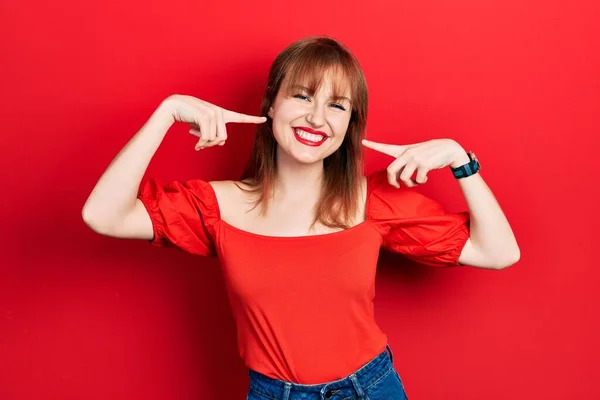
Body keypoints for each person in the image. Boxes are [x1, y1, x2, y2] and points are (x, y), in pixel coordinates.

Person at [82, 36, 520, 400]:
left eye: (337, 106)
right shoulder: (216, 207)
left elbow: (498, 252)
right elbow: (103, 215)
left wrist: (460, 160)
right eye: (303, 95)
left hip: (369, 389)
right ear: (272, 104)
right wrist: (167, 112)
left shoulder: (373, 202)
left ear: (350, 125)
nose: (316, 117)